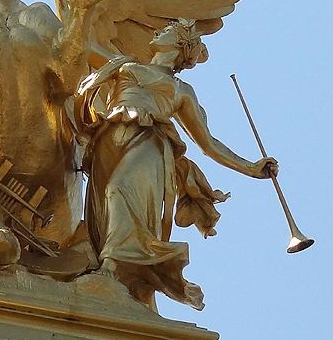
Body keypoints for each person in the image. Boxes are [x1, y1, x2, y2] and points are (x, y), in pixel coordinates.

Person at [75, 19, 278, 312]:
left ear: (182, 44)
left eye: (167, 30)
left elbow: (208, 144)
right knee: (101, 210)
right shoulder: (123, 65)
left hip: (148, 142)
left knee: (118, 191)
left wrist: (251, 167)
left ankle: (110, 266)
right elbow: (80, 46)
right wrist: (67, 1)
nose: (157, 31)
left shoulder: (181, 90)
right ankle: (113, 270)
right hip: (106, 141)